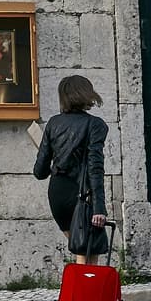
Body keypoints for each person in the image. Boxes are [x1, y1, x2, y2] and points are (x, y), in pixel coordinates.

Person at [33, 75, 110, 264]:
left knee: (81, 248)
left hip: (58, 193)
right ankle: (86, 292)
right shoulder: (95, 125)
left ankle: (84, 291)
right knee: (88, 253)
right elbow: (95, 168)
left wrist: (59, 160)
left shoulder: (53, 123)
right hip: (82, 194)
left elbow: (40, 172)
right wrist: (100, 207)